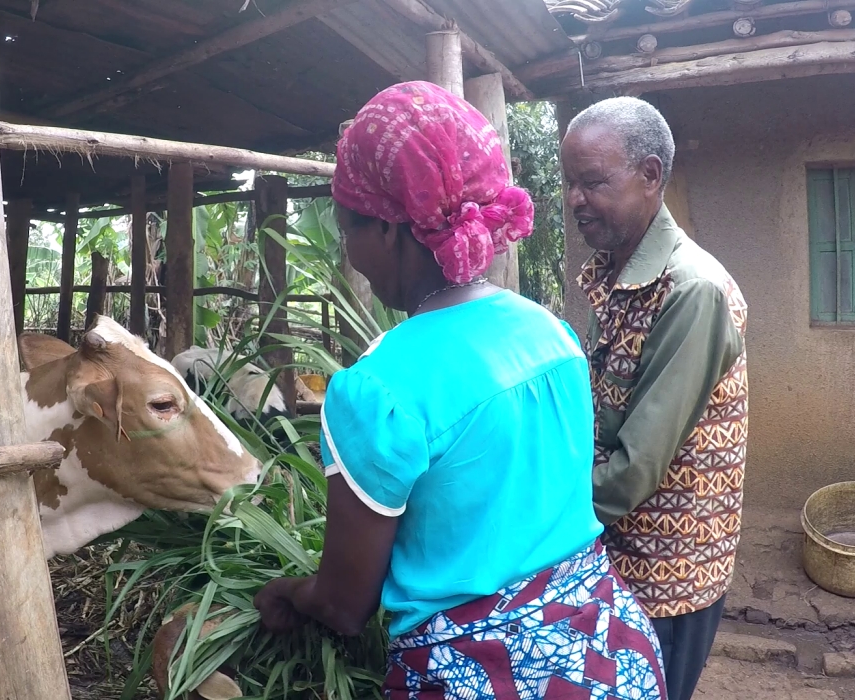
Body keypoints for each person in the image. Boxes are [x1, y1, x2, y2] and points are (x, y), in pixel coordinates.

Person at [253, 81, 666, 700]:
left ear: (390, 231)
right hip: (612, 656)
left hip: (483, 678)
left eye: (348, 229)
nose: (349, 250)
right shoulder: (550, 335)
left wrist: (291, 592)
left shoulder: (376, 392)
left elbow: (344, 606)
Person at [561, 96, 748, 700]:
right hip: (621, 559)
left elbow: (631, 470)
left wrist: (526, 502)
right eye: (569, 183)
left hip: (668, 576)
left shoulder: (692, 291)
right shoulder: (616, 273)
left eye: (592, 182)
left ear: (649, 176)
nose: (573, 200)